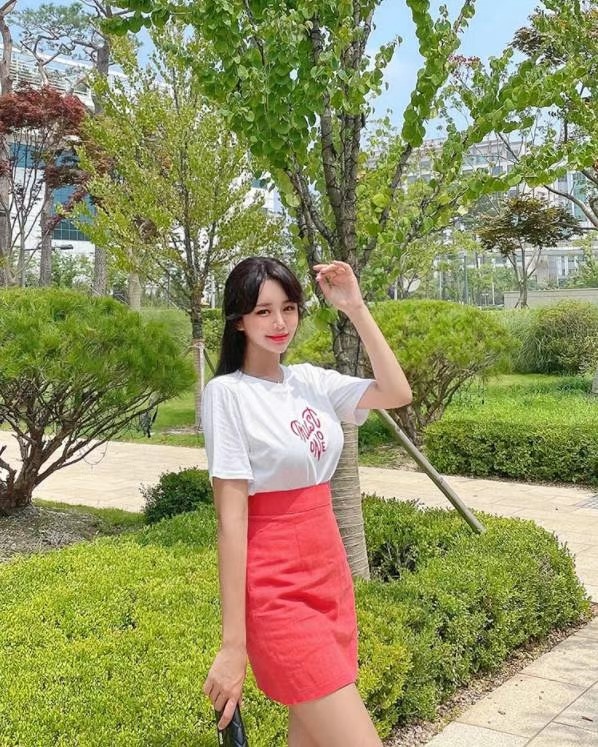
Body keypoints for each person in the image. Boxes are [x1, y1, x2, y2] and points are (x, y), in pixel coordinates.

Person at [201, 256, 412, 746]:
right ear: (239, 320)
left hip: (329, 576)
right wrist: (233, 646)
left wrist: (355, 307)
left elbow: (396, 391)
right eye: (263, 311)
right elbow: (231, 522)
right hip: (277, 590)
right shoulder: (227, 394)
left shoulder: (311, 382)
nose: (279, 323)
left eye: (289, 308)